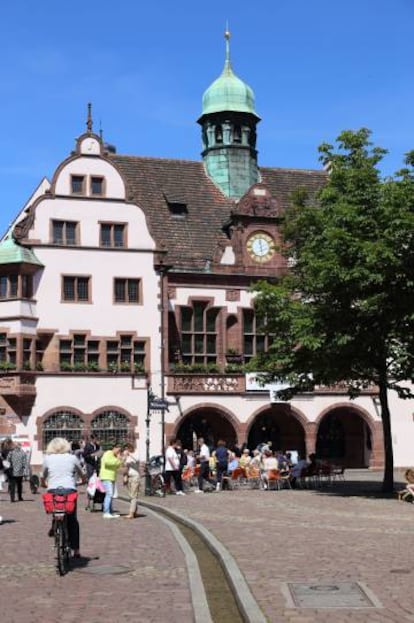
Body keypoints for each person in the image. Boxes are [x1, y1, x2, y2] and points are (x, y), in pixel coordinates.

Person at [41, 437, 85, 558]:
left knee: (56, 509)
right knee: (72, 519)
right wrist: (83, 481)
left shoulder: (48, 459)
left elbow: (43, 475)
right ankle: (76, 550)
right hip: (69, 489)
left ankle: (55, 526)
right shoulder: (72, 458)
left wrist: (43, 483)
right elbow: (81, 472)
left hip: (53, 489)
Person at [99, 441, 123, 518]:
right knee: (109, 494)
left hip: (111, 477)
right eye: (118, 451)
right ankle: (106, 512)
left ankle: (110, 511)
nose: (119, 453)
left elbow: (117, 465)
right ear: (114, 448)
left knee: (110, 494)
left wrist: (119, 460)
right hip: (106, 477)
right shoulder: (108, 453)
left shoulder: (113, 456)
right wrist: (118, 460)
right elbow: (107, 462)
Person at [122, 442, 141, 518]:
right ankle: (135, 511)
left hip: (135, 476)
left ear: (131, 448)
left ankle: (131, 513)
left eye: (128, 448)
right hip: (128, 476)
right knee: (130, 495)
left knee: (133, 495)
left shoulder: (136, 453)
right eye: (125, 449)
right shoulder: (126, 455)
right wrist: (124, 457)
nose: (126, 450)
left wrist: (129, 454)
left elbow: (137, 460)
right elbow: (123, 465)